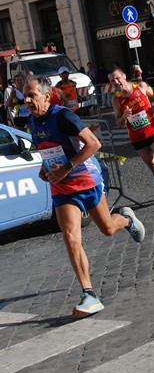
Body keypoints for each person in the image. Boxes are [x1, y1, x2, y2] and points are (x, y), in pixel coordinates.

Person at [23, 75, 145, 318]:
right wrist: (45, 170)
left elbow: (94, 144)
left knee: (108, 228)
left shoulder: (63, 116)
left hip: (85, 179)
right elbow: (48, 151)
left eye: (31, 96)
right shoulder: (32, 121)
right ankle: (89, 294)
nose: (26, 100)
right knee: (70, 237)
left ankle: (127, 220)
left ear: (46, 96)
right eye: (24, 96)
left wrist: (67, 167)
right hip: (61, 187)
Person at [108, 66, 154, 203]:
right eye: (112, 81)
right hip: (136, 138)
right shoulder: (116, 99)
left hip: (152, 130)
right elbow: (118, 122)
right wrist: (124, 116)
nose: (116, 82)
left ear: (124, 76)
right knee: (153, 166)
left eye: (117, 78)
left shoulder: (141, 86)